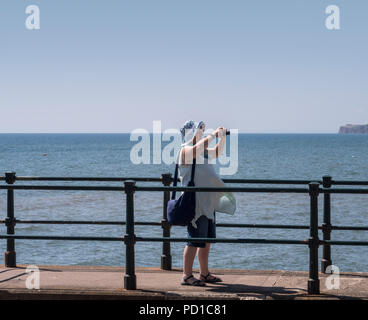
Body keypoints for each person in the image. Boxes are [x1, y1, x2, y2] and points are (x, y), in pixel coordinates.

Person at [177, 120, 236, 286]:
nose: (201, 133)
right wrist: (213, 135)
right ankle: (187, 275)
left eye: (201, 131)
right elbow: (196, 149)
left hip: (208, 203)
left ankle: (204, 273)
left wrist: (222, 138)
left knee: (206, 241)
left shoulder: (202, 151)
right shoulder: (185, 151)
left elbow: (217, 152)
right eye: (198, 130)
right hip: (195, 204)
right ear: (190, 134)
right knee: (194, 241)